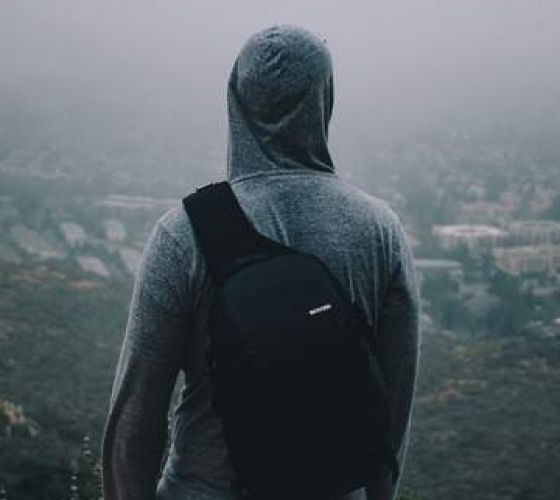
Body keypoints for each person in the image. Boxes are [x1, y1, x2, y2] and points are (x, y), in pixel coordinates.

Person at [101, 25, 420, 500]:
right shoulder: (379, 231)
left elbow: (136, 420)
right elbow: (392, 407)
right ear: (323, 99)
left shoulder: (184, 233)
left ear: (235, 101)